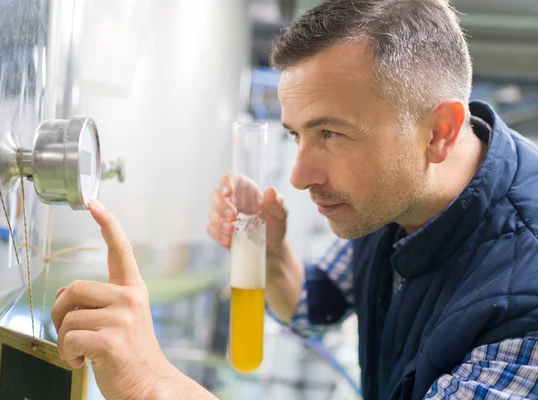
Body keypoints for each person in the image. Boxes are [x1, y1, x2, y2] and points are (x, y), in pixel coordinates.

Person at [51, 1, 538, 399]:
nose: (299, 176)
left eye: (330, 132)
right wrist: (273, 257)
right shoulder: (403, 195)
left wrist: (150, 383)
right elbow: (317, 303)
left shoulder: (525, 296)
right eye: (296, 135)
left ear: (439, 132)